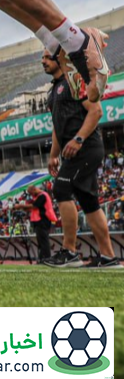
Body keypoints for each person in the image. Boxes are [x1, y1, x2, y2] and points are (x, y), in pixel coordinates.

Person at [40, 51, 120, 268]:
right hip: (72, 151)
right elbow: (58, 125)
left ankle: (70, 252)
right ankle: (108, 257)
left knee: (61, 189)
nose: (43, 61)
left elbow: (96, 111)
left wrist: (78, 139)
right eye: (42, 58)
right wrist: (54, 154)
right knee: (89, 202)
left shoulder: (74, 80)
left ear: (61, 59)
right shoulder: (53, 91)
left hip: (86, 147)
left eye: (47, 57)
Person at [12, 184, 56, 262]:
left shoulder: (42, 196)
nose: (31, 195)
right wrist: (22, 207)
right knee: (41, 241)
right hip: (39, 221)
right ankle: (42, 258)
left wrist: (20, 206)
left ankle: (46, 258)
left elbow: (33, 206)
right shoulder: (39, 196)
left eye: (31, 193)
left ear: (34, 189)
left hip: (42, 221)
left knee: (43, 241)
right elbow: (32, 208)